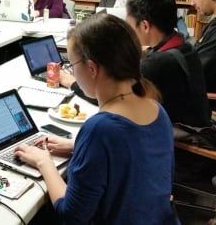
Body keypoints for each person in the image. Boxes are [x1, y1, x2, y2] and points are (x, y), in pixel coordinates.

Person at [15, 13, 177, 224]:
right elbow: (133, 161)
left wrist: (43, 162)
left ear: (91, 68)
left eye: (71, 65)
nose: (71, 71)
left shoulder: (100, 129)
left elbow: (71, 214)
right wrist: (78, 146)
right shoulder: (156, 109)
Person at [126, 0, 211, 127]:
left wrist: (74, 81)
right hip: (197, 124)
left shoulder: (157, 64)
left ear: (145, 25)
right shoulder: (185, 46)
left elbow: (113, 95)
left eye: (130, 25)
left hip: (181, 142)